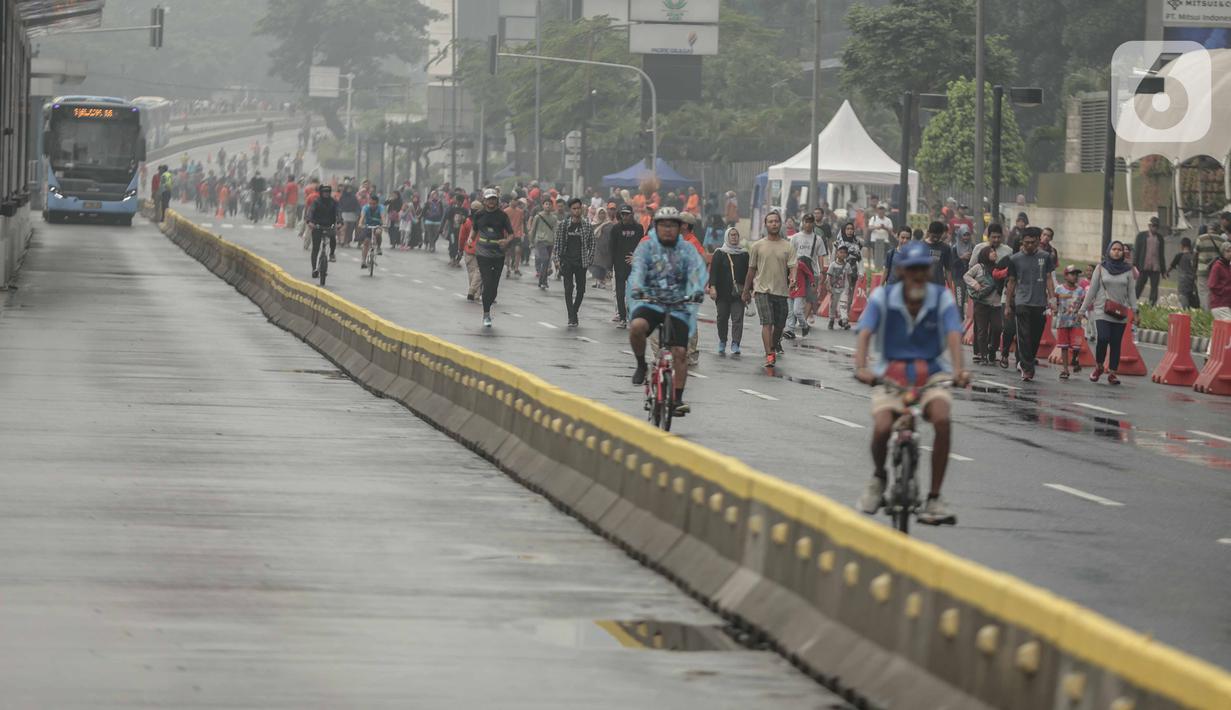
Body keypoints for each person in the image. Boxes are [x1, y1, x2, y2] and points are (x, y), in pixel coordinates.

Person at [854, 240, 970, 526]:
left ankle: (934, 497)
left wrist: (958, 370)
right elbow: (865, 332)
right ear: (902, 271)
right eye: (912, 269)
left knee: (942, 420)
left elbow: (954, 335)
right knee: (882, 428)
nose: (918, 275)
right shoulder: (883, 296)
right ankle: (879, 478)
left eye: (923, 269)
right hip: (889, 374)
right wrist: (861, 367)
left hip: (932, 374)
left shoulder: (941, 298)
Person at [627, 207, 708, 418]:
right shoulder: (647, 247)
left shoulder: (688, 249)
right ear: (656, 226)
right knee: (637, 327)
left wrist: (697, 291)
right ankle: (640, 365)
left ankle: (678, 399)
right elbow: (638, 271)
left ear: (680, 228)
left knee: (681, 352)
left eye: (673, 225)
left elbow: (697, 273)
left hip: (678, 305)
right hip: (651, 302)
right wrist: (637, 288)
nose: (668, 229)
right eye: (664, 225)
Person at [742, 211, 798, 368]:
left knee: (779, 325)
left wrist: (793, 279)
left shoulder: (788, 246)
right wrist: (746, 290)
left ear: (780, 224)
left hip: (781, 291)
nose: (774, 224)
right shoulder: (757, 246)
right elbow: (751, 270)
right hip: (762, 291)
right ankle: (769, 354)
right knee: (767, 323)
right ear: (766, 225)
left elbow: (793, 266)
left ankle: (773, 346)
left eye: (776, 221)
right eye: (770, 221)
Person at [1079, 240, 1136, 386]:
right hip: (1102, 310)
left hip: (1120, 312)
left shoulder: (1128, 270)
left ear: (1123, 253)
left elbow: (1131, 292)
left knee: (1116, 343)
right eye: (1114, 249)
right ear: (1109, 251)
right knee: (1103, 338)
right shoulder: (1100, 268)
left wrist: (1135, 311)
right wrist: (1082, 309)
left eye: (1119, 249)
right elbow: (1092, 290)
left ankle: (1112, 373)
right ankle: (1099, 366)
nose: (1117, 252)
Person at [1003, 228, 1055, 382]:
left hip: (1039, 303)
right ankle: (1027, 368)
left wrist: (1052, 300)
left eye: (1033, 242)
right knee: (1024, 336)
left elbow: (1049, 279)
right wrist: (1007, 305)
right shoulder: (1014, 259)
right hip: (1022, 302)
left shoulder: (1045, 257)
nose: (1030, 245)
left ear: (1039, 241)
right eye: (1027, 243)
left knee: (1035, 337)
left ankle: (1027, 361)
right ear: (1022, 242)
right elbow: (1011, 282)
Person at [473, 189, 516, 328]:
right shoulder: (479, 215)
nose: (491, 202)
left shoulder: (502, 216)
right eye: (489, 199)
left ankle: (489, 299)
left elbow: (511, 234)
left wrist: (506, 241)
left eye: (494, 199)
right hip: (483, 252)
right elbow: (474, 231)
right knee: (487, 281)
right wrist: (469, 240)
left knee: (494, 288)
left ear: (497, 200)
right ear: (484, 201)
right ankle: (486, 314)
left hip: (498, 253)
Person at [553, 197, 596, 328]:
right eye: (574, 208)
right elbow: (558, 243)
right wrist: (557, 259)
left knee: (581, 290)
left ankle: (574, 311)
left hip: (581, 262)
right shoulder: (564, 225)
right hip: (567, 261)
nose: (577, 211)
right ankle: (571, 316)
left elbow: (592, 244)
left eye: (579, 208)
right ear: (570, 210)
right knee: (568, 288)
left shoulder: (587, 226)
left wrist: (589, 259)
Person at [784, 213, 827, 339]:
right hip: (796, 273)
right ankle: (792, 328)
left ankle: (802, 322)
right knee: (792, 303)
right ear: (802, 222)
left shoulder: (817, 239)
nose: (808, 224)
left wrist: (821, 272)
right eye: (806, 221)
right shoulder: (796, 237)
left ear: (813, 223)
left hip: (811, 273)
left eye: (810, 221)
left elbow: (820, 256)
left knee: (808, 299)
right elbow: (790, 255)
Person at [709, 227, 748, 357]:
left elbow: (749, 273)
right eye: (731, 235)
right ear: (727, 236)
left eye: (736, 235)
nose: (734, 237)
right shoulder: (719, 253)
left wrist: (750, 290)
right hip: (722, 292)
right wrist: (712, 287)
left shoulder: (744, 254)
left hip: (738, 293)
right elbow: (713, 271)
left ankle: (736, 343)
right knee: (722, 317)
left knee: (737, 319)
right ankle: (722, 340)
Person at [963, 243, 1002, 365]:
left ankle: (992, 350)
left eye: (995, 251)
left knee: (997, 328)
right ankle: (983, 355)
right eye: (991, 251)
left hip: (996, 304)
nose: (994, 253)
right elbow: (966, 276)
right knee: (982, 330)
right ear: (985, 254)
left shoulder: (999, 268)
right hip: (981, 304)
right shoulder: (979, 267)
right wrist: (975, 284)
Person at [610, 205, 644, 327]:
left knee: (633, 293)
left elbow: (642, 246)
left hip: (634, 265)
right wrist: (610, 266)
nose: (625, 216)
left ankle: (633, 315)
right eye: (623, 214)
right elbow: (612, 248)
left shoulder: (639, 228)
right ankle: (622, 318)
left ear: (632, 214)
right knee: (620, 293)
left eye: (627, 214)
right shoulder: (616, 228)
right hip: (619, 265)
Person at [1053, 266, 1088, 380]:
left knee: (1077, 345)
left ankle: (1075, 358)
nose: (1075, 276)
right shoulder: (1059, 289)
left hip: (1076, 322)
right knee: (1064, 346)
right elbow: (1055, 302)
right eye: (1072, 274)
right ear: (1066, 276)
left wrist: (1083, 314)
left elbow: (1084, 303)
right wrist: (1054, 309)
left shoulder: (1080, 290)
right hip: (1062, 321)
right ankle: (1065, 369)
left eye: (1076, 274)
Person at [306, 184, 340, 279]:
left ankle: (332, 253)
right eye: (324, 192)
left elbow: (338, 212)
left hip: (329, 225)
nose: (326, 194)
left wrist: (340, 222)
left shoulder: (334, 202)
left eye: (328, 192)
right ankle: (314, 269)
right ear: (321, 193)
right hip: (317, 226)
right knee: (315, 248)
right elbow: (311, 212)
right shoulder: (316, 202)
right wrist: (309, 221)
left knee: (333, 237)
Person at [1133, 216, 1168, 305]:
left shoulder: (1160, 238)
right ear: (1149, 226)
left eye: (1156, 226)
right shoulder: (1141, 236)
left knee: (1154, 288)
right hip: (1143, 266)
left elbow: (1161, 255)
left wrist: (1163, 271)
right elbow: (1136, 252)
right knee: (1139, 286)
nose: (1154, 228)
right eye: (1153, 226)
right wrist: (1134, 266)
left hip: (1155, 268)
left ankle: (1151, 306)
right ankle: (1132, 303)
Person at [1196, 220, 1230, 309]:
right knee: (1213, 292)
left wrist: (1194, 268)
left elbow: (1195, 254)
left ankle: (1206, 313)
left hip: (1202, 270)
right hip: (1216, 269)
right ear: (1218, 229)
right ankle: (1212, 310)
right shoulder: (1222, 240)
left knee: (1203, 292)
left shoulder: (1200, 239)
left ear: (1208, 228)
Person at [530, 196, 560, 289]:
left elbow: (555, 230)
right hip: (540, 241)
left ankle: (543, 281)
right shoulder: (538, 217)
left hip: (550, 242)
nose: (548, 206)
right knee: (546, 259)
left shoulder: (554, 218)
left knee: (546, 262)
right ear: (543, 205)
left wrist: (556, 243)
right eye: (546, 204)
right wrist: (531, 242)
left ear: (552, 206)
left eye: (550, 204)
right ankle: (543, 281)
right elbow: (533, 230)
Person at [826, 245, 855, 330]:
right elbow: (829, 276)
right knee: (833, 305)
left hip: (844, 289)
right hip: (834, 289)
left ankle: (844, 321)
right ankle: (831, 320)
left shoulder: (847, 266)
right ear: (837, 253)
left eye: (845, 253)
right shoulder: (832, 265)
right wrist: (828, 285)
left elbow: (849, 276)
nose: (843, 254)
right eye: (841, 252)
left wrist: (850, 287)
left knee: (843, 304)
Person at [1170, 237, 1200, 310]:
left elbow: (1171, 266)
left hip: (1183, 282)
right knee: (1190, 296)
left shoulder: (1179, 256)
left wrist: (1166, 273)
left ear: (1182, 246)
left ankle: (1186, 312)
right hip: (1193, 281)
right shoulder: (1193, 256)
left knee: (1183, 297)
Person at [922, 221, 955, 287]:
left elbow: (948, 270)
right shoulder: (921, 246)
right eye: (934, 236)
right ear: (929, 232)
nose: (936, 238)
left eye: (938, 236)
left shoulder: (945, 248)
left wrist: (950, 288)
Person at [461, 204, 482, 301]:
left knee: (472, 272)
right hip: (481, 250)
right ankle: (474, 292)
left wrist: (460, 249)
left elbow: (462, 237)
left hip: (469, 249)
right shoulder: (484, 221)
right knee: (479, 272)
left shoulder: (466, 221)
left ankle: (473, 292)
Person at [358, 193, 384, 270]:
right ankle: (363, 261)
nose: (372, 205)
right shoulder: (365, 207)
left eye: (374, 204)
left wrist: (384, 223)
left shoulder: (381, 208)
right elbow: (362, 217)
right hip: (368, 226)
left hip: (377, 225)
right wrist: (360, 223)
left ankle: (379, 247)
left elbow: (383, 217)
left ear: (377, 203)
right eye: (370, 203)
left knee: (378, 233)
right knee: (366, 242)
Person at [866, 203, 894, 269]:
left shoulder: (888, 220)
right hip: (875, 240)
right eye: (880, 209)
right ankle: (876, 269)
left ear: (885, 211)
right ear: (877, 210)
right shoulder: (873, 218)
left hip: (885, 240)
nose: (881, 211)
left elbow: (891, 230)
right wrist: (877, 227)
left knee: (885, 256)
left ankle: (884, 269)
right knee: (876, 256)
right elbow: (869, 228)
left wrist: (885, 228)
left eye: (882, 209)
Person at [504, 197, 526, 277]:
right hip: (508, 234)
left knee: (518, 251)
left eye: (516, 201)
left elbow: (521, 223)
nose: (514, 202)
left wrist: (522, 233)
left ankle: (516, 268)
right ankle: (508, 269)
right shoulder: (506, 211)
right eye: (513, 201)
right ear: (510, 201)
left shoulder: (520, 212)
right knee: (508, 252)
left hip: (517, 234)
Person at [1209, 242, 1231, 321]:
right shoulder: (1217, 266)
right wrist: (1227, 290)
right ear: (1222, 252)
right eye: (1227, 251)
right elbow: (1212, 285)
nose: (1230, 254)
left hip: (1227, 303)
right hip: (1219, 304)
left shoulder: (1228, 266)